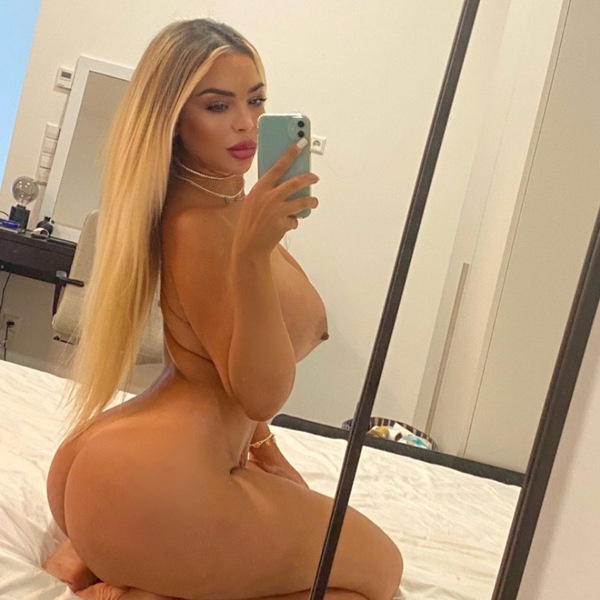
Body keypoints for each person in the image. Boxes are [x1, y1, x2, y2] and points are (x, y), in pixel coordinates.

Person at [44, 18, 403, 600]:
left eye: (256, 101)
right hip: (159, 484)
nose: (246, 123)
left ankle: (118, 559)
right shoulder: (200, 227)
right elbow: (258, 394)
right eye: (218, 105)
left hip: (130, 467)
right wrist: (253, 255)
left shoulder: (222, 207)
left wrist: (264, 450)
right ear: (173, 121)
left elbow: (221, 360)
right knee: (382, 572)